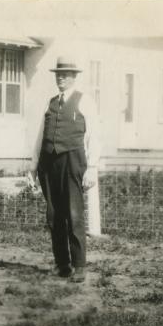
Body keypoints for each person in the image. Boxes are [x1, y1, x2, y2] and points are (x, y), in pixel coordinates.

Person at [30, 56, 101, 283]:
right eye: (58, 74)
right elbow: (40, 135)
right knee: (54, 215)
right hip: (49, 163)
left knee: (74, 214)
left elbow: (94, 136)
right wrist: (33, 167)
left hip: (73, 160)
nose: (61, 78)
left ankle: (79, 266)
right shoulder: (50, 102)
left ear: (74, 77)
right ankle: (63, 264)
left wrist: (92, 168)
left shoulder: (85, 101)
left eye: (66, 74)